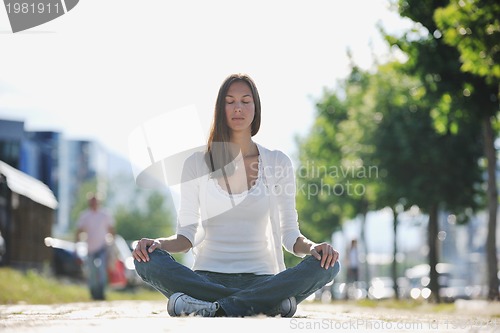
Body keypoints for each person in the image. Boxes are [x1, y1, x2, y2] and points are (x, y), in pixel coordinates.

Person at [133, 73, 340, 317]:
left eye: (245, 101)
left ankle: (211, 307)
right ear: (220, 108)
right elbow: (186, 237)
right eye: (230, 102)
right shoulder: (196, 164)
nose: (238, 108)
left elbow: (290, 236)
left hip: (263, 280)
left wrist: (315, 247)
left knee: (329, 264)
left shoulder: (277, 162)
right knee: (145, 258)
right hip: (206, 279)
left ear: (256, 107)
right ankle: (265, 305)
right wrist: (157, 244)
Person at [75, 193, 115, 300]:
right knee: (92, 272)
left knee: (101, 270)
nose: (94, 204)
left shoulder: (105, 214)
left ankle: (101, 293)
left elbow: (111, 230)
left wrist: (113, 244)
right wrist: (76, 246)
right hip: (90, 248)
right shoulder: (85, 216)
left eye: (95, 201)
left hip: (102, 247)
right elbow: (79, 230)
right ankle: (93, 294)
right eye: (92, 201)